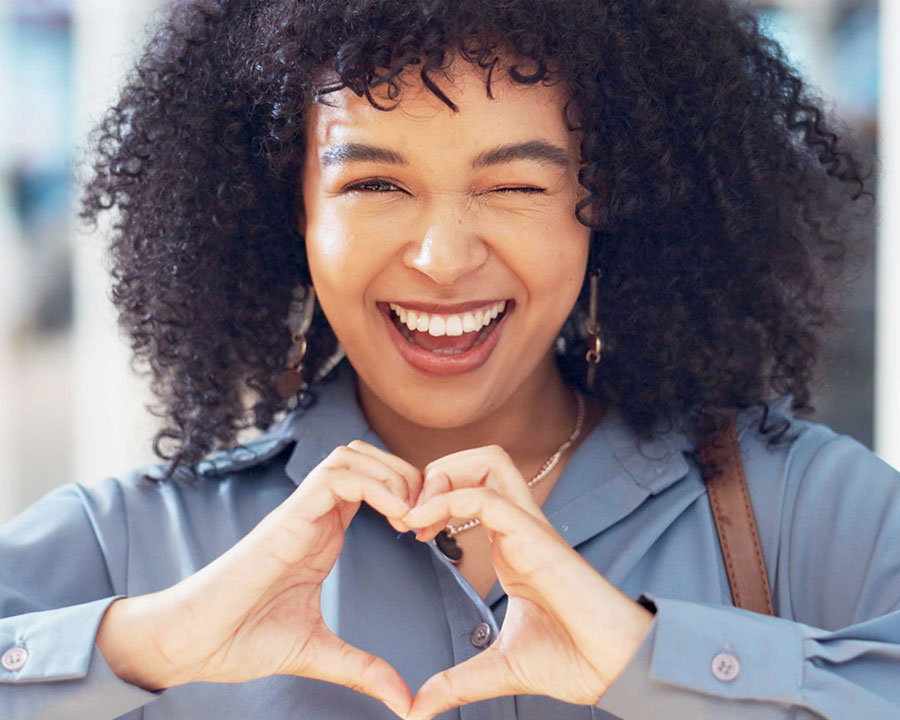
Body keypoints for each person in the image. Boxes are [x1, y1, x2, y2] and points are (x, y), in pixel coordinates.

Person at [1, 0, 897, 718]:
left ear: (614, 201)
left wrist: (652, 665)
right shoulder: (126, 549)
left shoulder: (819, 520)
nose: (441, 257)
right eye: (375, 184)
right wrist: (146, 648)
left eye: (514, 186)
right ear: (292, 209)